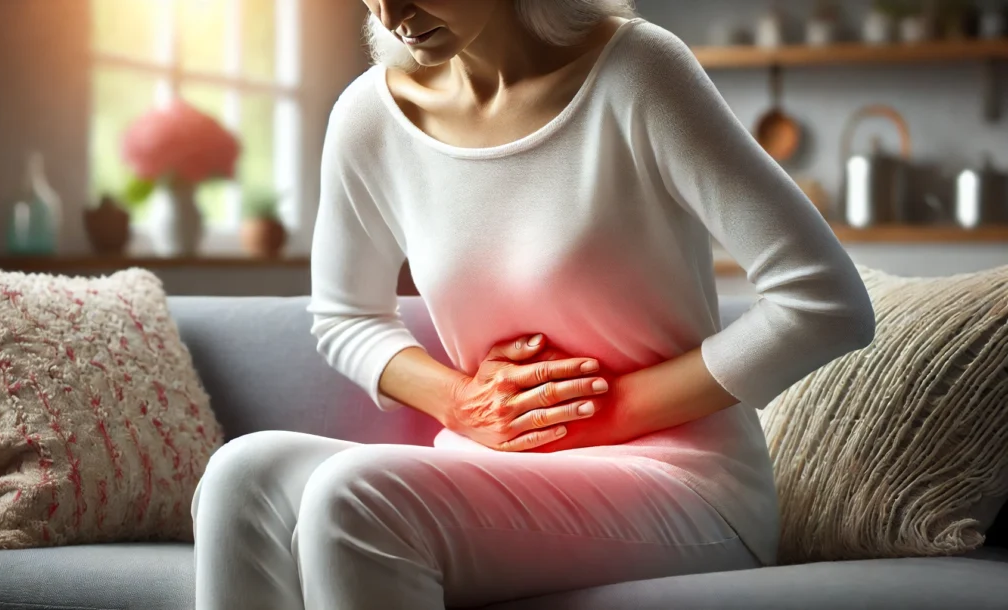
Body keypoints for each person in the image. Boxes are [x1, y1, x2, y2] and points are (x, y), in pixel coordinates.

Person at [190, 1, 876, 608]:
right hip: (487, 462)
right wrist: (461, 404)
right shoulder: (369, 115)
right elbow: (344, 316)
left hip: (683, 484)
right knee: (240, 475)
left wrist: (606, 412)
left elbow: (825, 301)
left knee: (354, 494)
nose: (391, 11)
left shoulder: (636, 70)